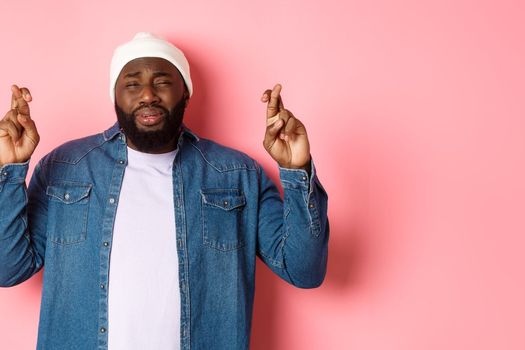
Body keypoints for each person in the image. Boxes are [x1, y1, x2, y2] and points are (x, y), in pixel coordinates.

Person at [0, 32, 329, 349]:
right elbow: (8, 268)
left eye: (162, 81)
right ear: (114, 96)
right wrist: (10, 170)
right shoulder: (65, 168)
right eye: (131, 83)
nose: (147, 94)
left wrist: (296, 170)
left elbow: (304, 271)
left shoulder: (238, 175)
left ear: (185, 92)